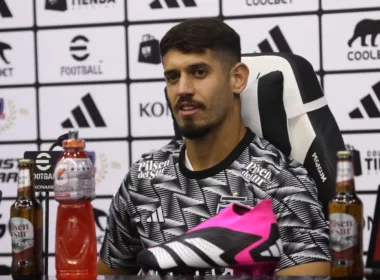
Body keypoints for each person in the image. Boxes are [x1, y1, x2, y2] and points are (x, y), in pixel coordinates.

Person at [97, 17, 331, 276]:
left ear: (237, 79)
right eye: (173, 77)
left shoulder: (284, 188)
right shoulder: (142, 179)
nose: (182, 89)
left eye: (199, 72)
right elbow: (109, 273)